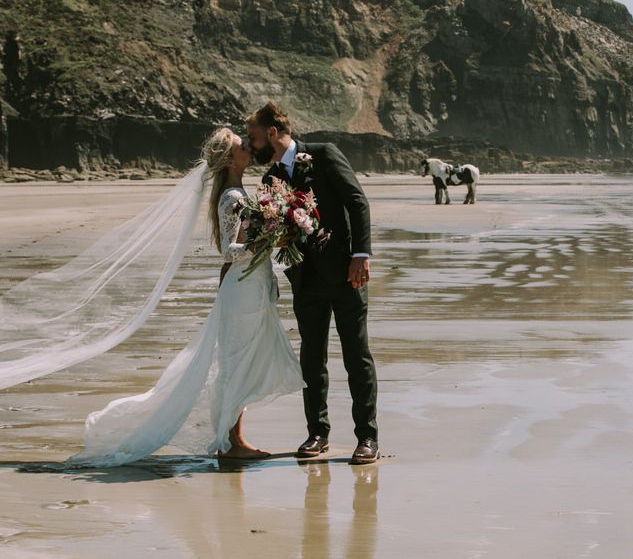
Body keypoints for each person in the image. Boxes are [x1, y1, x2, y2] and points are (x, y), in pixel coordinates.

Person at [27, 128, 303, 466]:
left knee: (241, 361)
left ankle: (234, 440)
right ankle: (232, 443)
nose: (249, 147)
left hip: (252, 286)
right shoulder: (232, 197)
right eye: (242, 146)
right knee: (235, 364)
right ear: (232, 160)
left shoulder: (240, 192)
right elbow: (230, 251)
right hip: (242, 289)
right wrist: (266, 241)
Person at [246, 102, 379, 465]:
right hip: (305, 279)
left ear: (272, 133)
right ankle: (317, 434)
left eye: (254, 137)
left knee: (357, 356)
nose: (251, 144)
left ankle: (367, 437)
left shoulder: (323, 154)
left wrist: (360, 255)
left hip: (347, 273)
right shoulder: (269, 179)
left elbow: (356, 202)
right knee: (312, 359)